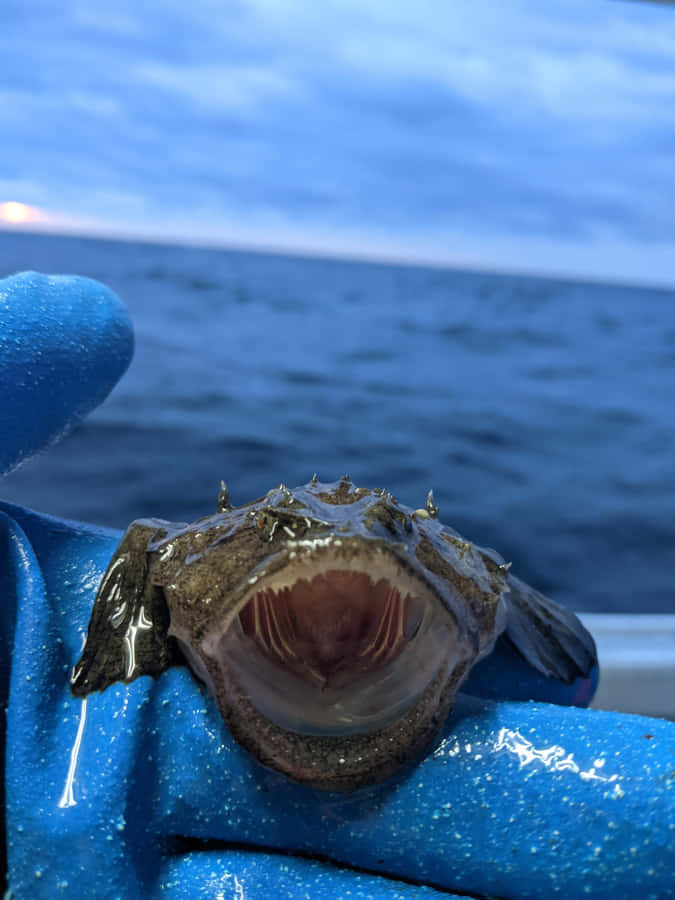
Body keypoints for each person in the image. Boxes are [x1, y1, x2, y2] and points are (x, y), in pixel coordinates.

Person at [1, 271, 672, 899]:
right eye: (280, 531)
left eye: (397, 534)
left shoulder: (474, 575)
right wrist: (124, 639)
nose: (337, 544)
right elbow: (152, 539)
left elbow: (490, 580)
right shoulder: (167, 555)